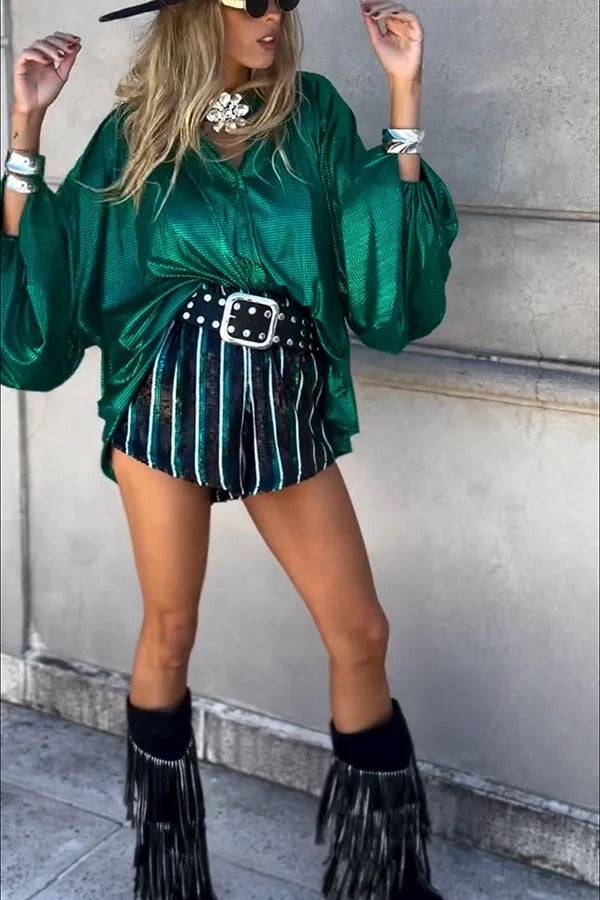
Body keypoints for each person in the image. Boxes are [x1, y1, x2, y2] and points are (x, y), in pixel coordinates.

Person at [1, 0, 458, 896]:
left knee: (360, 631)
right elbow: (52, 259)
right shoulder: (137, 132)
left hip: (279, 392)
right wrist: (27, 125)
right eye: (251, 1)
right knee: (170, 631)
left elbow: (378, 257)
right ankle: (172, 880)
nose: (273, 16)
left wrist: (404, 93)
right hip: (167, 391)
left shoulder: (310, 113)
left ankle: (386, 881)